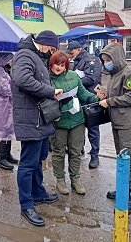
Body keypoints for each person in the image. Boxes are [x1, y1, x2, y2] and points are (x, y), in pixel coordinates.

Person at [11, 30, 63, 227]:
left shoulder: (37, 56)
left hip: (41, 119)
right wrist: (50, 91)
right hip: (30, 119)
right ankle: (26, 205)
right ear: (44, 43)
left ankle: (38, 192)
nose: (52, 53)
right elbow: (22, 80)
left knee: (38, 159)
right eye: (52, 48)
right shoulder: (25, 55)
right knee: (27, 164)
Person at [98, 43, 131, 214]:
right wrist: (105, 94)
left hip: (128, 124)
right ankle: (123, 189)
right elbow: (118, 93)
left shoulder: (129, 73)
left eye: (108, 59)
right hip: (117, 121)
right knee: (121, 158)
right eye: (104, 60)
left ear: (116, 57)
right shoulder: (113, 73)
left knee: (129, 160)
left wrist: (109, 102)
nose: (106, 63)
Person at [49, 51, 99, 196]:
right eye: (56, 64)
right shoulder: (47, 79)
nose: (59, 68)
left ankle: (75, 179)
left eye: (62, 65)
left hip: (77, 119)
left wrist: (96, 98)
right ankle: (60, 180)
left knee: (75, 151)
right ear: (51, 64)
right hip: (59, 121)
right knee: (58, 151)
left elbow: (83, 94)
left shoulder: (73, 76)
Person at [68, 41, 102, 169]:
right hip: (79, 100)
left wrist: (73, 81)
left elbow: (92, 79)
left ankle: (94, 155)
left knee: (93, 129)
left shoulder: (92, 60)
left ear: (78, 49)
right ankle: (80, 148)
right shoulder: (77, 61)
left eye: (71, 52)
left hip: (91, 98)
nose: (70, 55)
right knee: (79, 126)